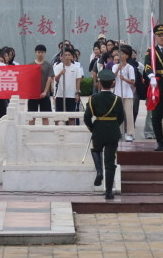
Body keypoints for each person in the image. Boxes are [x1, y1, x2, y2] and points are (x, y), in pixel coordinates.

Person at [83, 68, 124, 200]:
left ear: (99, 83)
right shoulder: (117, 99)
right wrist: (113, 125)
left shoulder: (93, 99)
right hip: (112, 130)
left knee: (96, 150)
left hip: (98, 129)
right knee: (110, 162)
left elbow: (87, 117)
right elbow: (121, 117)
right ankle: (109, 192)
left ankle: (99, 171)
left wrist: (92, 128)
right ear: (112, 83)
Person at [52, 47, 82, 125]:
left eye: (69, 55)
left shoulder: (76, 68)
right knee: (58, 117)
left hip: (71, 95)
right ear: (61, 57)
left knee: (71, 117)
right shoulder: (57, 67)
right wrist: (61, 73)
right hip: (60, 95)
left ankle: (71, 131)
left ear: (72, 57)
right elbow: (55, 79)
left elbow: (78, 81)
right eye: (65, 55)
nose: (67, 57)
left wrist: (77, 93)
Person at [113, 45, 137, 142]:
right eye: (120, 53)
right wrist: (118, 69)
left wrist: (124, 79)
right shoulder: (115, 66)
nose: (120, 55)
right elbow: (112, 78)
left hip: (127, 94)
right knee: (118, 114)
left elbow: (133, 82)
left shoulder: (130, 67)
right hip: (118, 93)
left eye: (123, 54)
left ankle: (130, 133)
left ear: (127, 56)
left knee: (129, 114)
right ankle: (119, 132)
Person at [27, 44, 54, 125]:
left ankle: (45, 132)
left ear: (45, 53)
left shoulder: (48, 65)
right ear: (35, 53)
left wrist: (45, 92)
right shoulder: (30, 65)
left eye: (42, 52)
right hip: (33, 95)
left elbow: (49, 79)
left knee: (45, 116)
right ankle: (31, 131)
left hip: (45, 95)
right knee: (32, 116)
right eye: (38, 52)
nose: (40, 54)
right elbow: (28, 80)